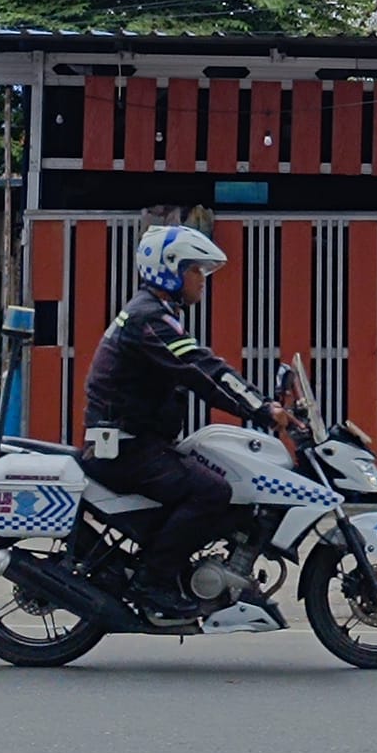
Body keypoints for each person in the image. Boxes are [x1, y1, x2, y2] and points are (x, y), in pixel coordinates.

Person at [79, 223, 279, 620]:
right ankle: (152, 584)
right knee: (211, 492)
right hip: (124, 446)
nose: (201, 280)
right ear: (168, 269)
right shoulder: (149, 320)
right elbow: (201, 369)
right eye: (195, 270)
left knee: (209, 474)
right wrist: (262, 409)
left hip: (135, 441)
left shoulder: (154, 315)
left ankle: (171, 571)